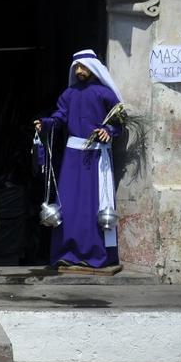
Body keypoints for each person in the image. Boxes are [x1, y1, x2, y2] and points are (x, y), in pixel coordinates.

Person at [33, 49, 122, 269]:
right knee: (69, 204)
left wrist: (108, 130)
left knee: (93, 204)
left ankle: (96, 254)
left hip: (96, 156)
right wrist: (45, 124)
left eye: (83, 67)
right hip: (72, 157)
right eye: (76, 68)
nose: (79, 71)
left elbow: (119, 120)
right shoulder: (69, 94)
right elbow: (59, 117)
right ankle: (67, 253)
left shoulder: (105, 94)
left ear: (93, 69)